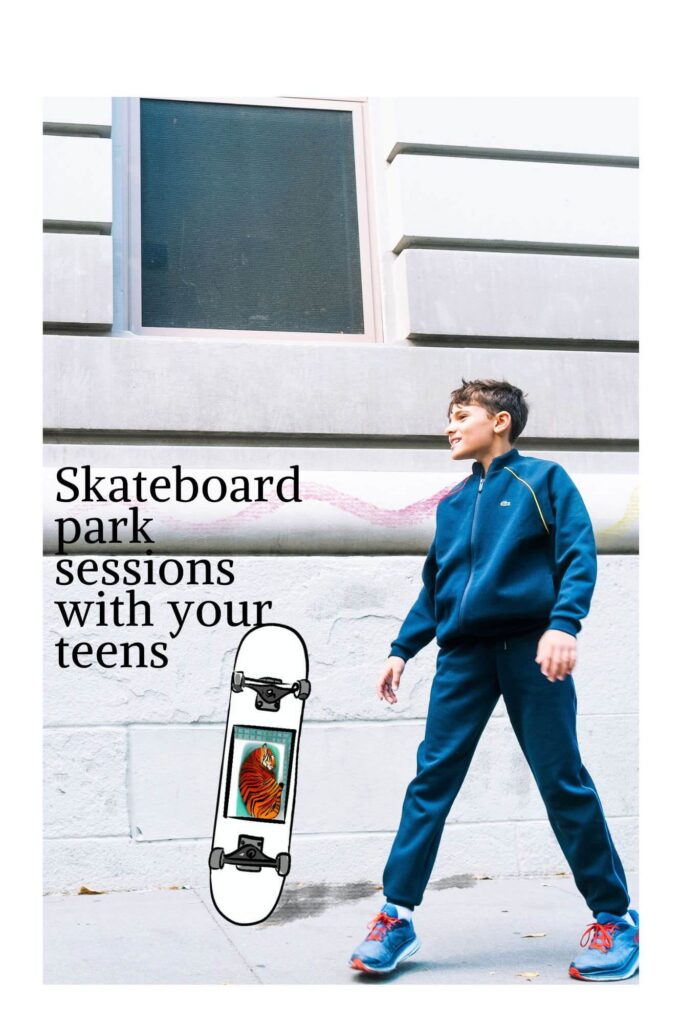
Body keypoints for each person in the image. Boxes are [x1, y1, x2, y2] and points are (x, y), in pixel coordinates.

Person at [349, 379, 638, 982]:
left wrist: (564, 625)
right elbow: (437, 584)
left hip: (534, 650)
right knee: (431, 781)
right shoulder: (453, 502)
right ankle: (395, 916)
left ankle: (614, 920)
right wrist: (403, 647)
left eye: (461, 415)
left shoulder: (543, 480)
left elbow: (578, 555)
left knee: (562, 779)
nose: (450, 427)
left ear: (500, 421)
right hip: (464, 657)